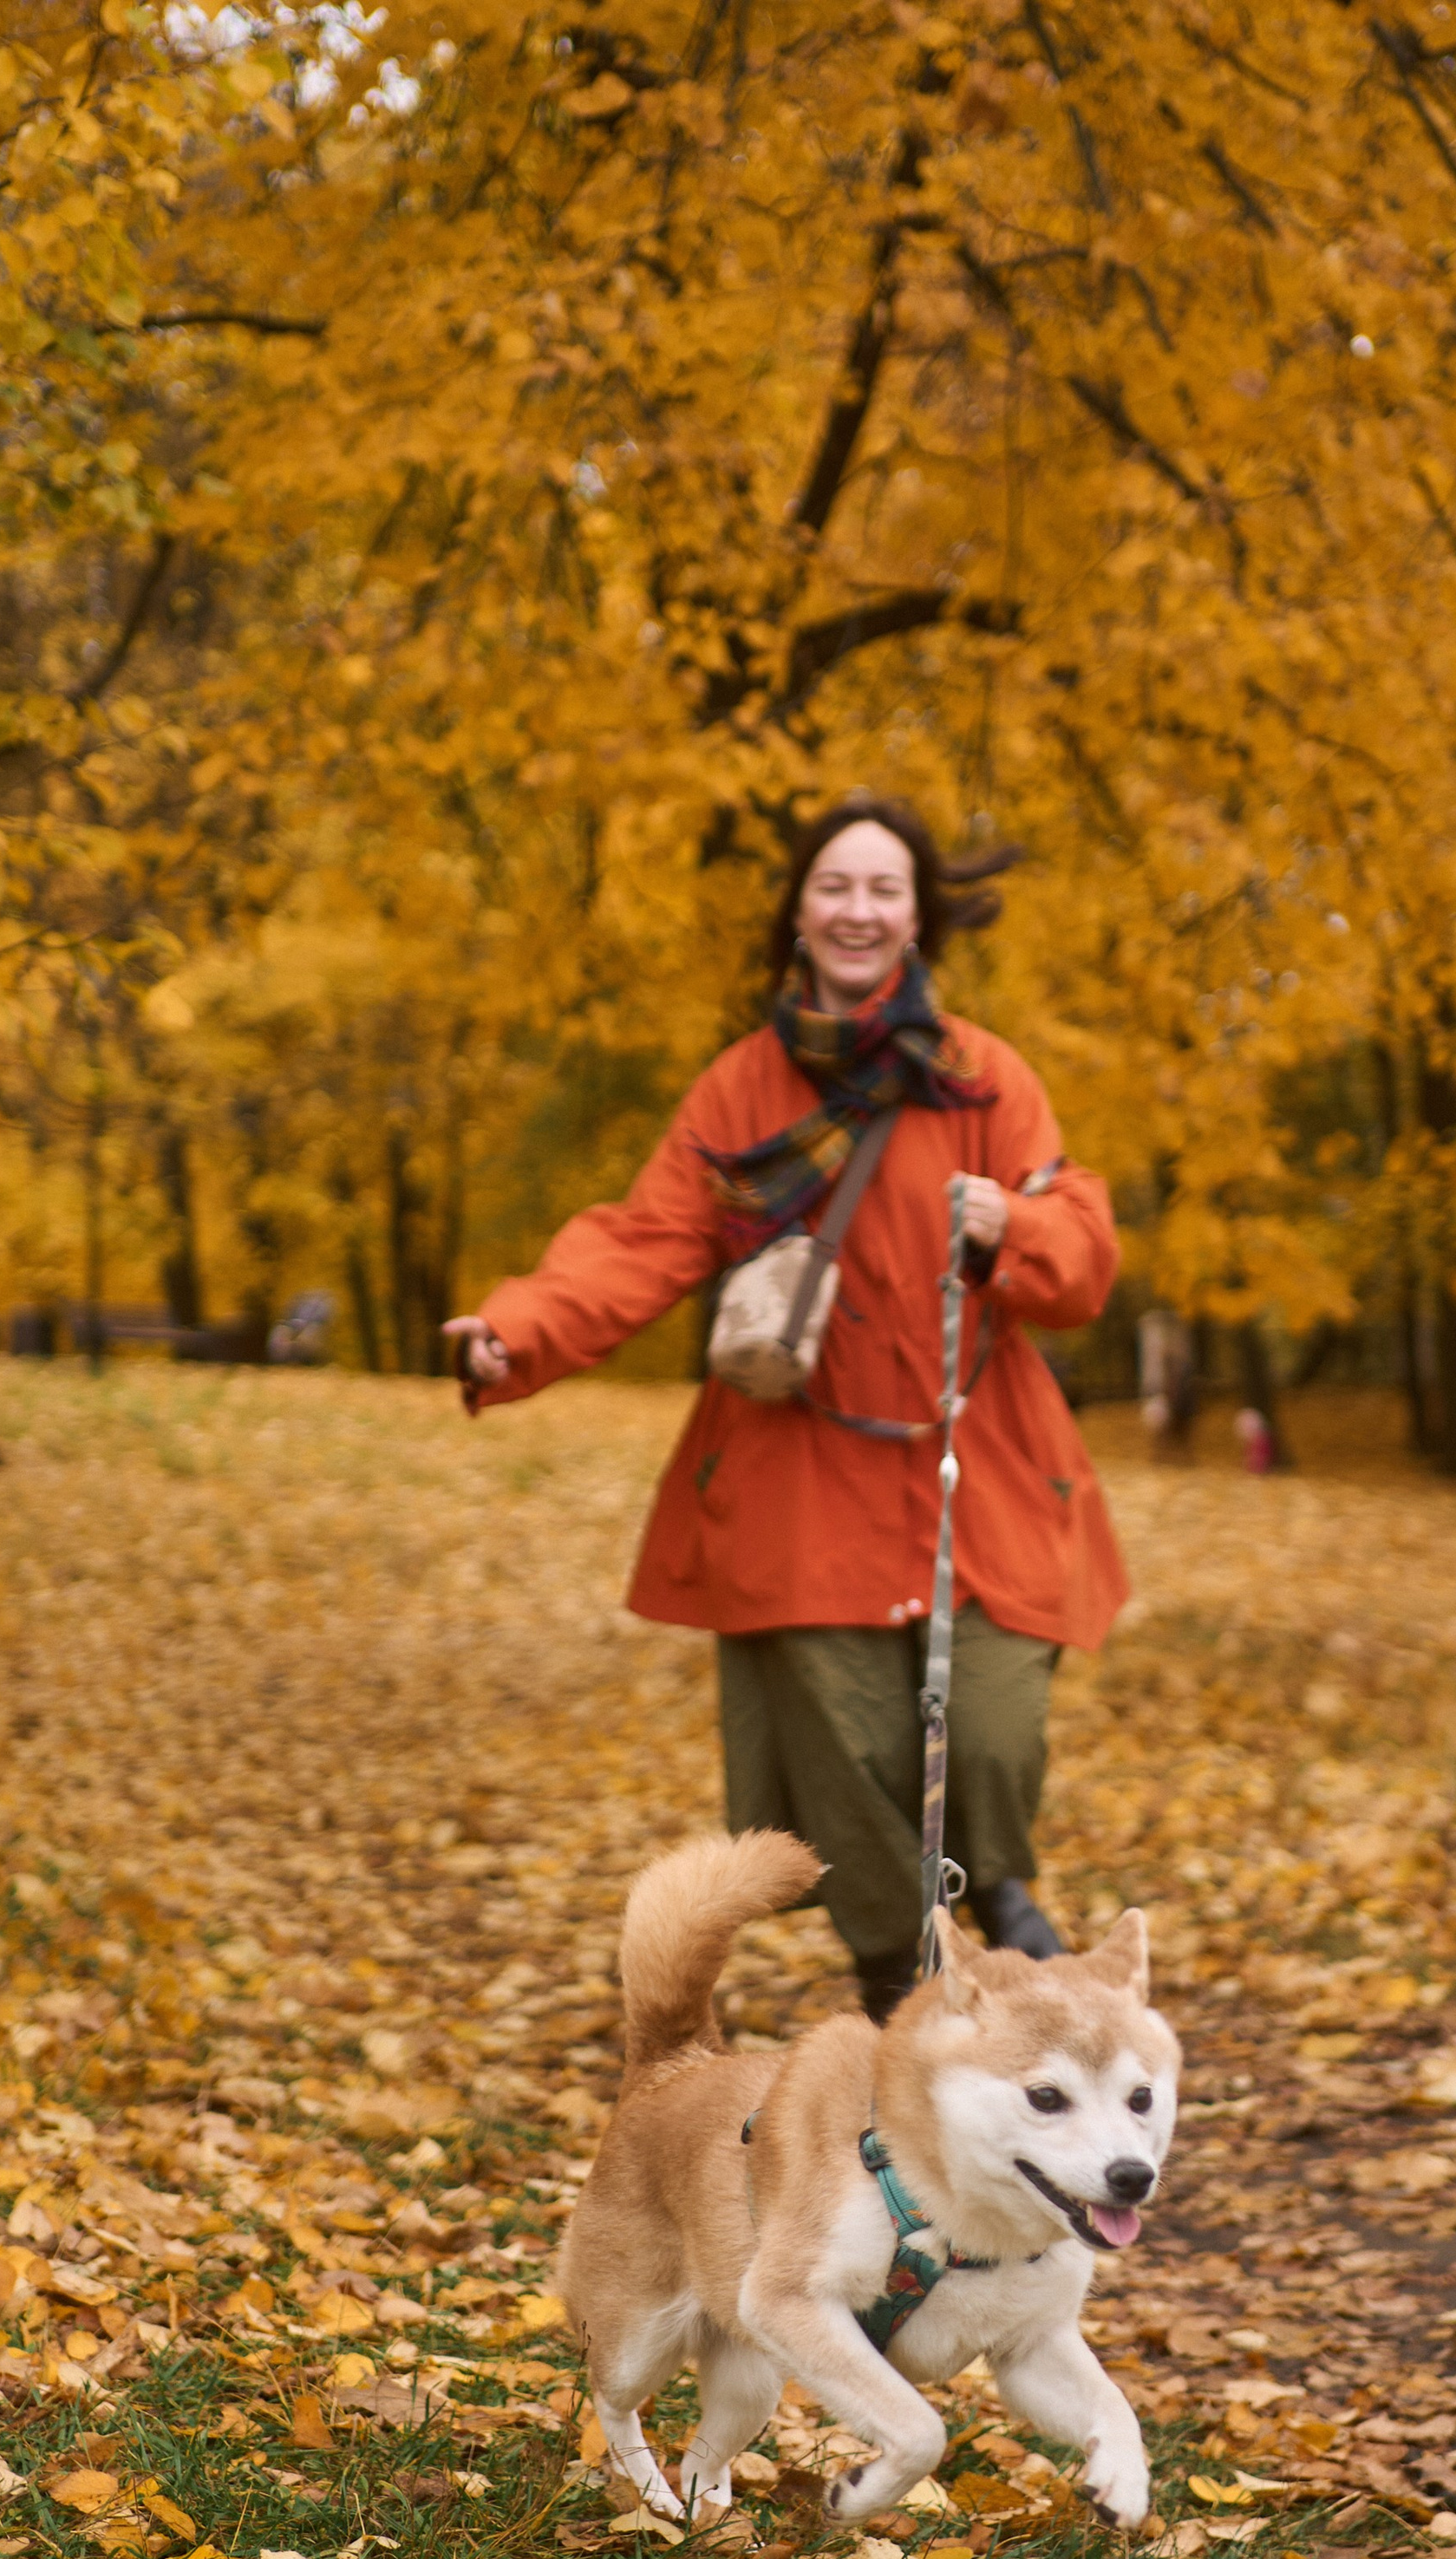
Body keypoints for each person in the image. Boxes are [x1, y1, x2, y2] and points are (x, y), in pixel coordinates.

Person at [442, 794, 1127, 2021]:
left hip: (982, 1457)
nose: (858, 910)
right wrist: (518, 1332)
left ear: (917, 917)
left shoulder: (984, 1077)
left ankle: (1006, 1884)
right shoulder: (741, 1093)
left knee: (993, 1725)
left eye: (884, 889)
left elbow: (1079, 1252)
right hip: (800, 1470)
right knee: (849, 1753)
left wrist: (1014, 1226)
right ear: (799, 915)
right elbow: (644, 1242)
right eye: (835, 887)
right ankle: (897, 1979)